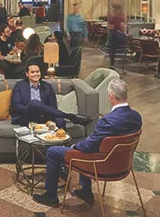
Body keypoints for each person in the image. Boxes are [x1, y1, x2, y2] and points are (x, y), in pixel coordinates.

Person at [33, 79, 142, 207]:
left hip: (101, 164)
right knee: (86, 144)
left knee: (53, 152)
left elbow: (89, 147)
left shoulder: (107, 121)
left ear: (110, 97)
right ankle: (85, 191)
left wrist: (74, 147)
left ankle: (51, 196)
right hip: (122, 165)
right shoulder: (136, 117)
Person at [10, 63, 93, 130]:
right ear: (27, 74)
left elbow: (53, 106)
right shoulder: (20, 85)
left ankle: (61, 147)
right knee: (34, 104)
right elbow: (16, 106)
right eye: (32, 72)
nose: (35, 74)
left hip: (45, 116)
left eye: (37, 71)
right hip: (26, 116)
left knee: (60, 120)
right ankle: (71, 116)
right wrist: (36, 109)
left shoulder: (47, 86)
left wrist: (43, 112)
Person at [107, 4, 127, 68]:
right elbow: (122, 27)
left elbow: (110, 26)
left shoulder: (112, 16)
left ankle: (112, 63)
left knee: (112, 48)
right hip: (118, 35)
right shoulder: (121, 17)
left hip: (113, 35)